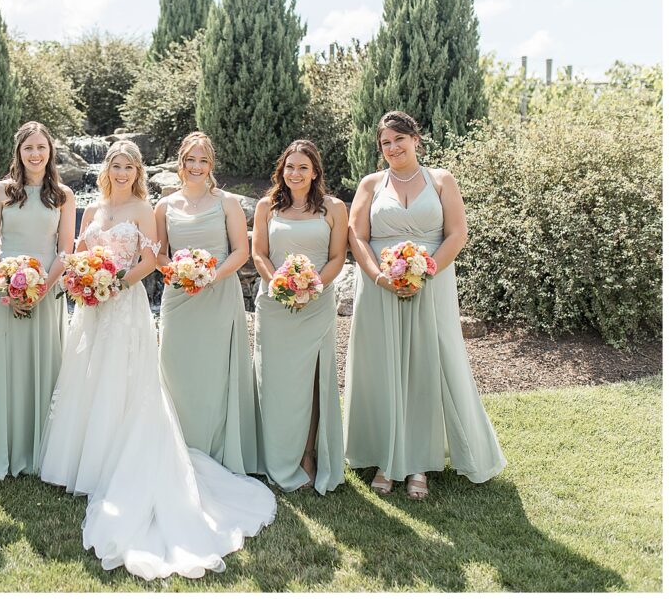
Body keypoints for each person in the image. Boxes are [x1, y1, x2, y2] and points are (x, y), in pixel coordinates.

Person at [39, 140, 275, 580]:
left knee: (126, 382)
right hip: (92, 309)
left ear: (138, 171)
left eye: (129, 166)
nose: (123, 172)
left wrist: (116, 283)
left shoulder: (147, 210)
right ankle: (83, 462)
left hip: (124, 306)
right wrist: (87, 282)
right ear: (107, 170)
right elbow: (75, 256)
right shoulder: (91, 211)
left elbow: (150, 260)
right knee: (87, 379)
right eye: (117, 165)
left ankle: (120, 460)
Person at [344, 110, 506, 500]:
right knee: (382, 368)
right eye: (386, 142)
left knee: (426, 367)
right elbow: (357, 237)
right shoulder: (370, 184)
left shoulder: (441, 180)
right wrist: (382, 277)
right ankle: (385, 456)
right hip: (380, 287)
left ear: (416, 140)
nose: (393, 147)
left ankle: (418, 462)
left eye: (400, 139)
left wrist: (425, 270)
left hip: (431, 284)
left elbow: (456, 233)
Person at [0, 121, 76, 479]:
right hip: (2, 291)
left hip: (47, 290)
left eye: (41, 148)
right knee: (3, 366)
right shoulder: (1, 191)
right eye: (28, 148)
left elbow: (66, 249)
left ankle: (37, 451)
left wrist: (41, 288)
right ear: (19, 152)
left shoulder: (62, 195)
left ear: (50, 152)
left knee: (40, 366)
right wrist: (7, 286)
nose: (35, 154)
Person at [154, 132, 257, 475]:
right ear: (180, 163)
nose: (196, 167)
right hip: (179, 298)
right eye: (190, 160)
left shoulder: (226, 202)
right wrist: (178, 273)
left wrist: (209, 276)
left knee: (214, 374)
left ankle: (214, 450)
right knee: (175, 369)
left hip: (217, 294)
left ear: (211, 165)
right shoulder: (164, 206)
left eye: (203, 161)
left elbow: (242, 251)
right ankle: (176, 447)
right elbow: (159, 254)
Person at [251, 140, 349, 494]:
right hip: (274, 303)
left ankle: (308, 456)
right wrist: (278, 282)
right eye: (290, 167)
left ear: (315, 172)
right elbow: (259, 253)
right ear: (282, 170)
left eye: (303, 167)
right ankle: (273, 456)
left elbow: (338, 256)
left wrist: (312, 286)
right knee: (274, 382)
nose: (295, 173)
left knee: (313, 381)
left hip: (317, 303)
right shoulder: (266, 208)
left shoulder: (334, 208)